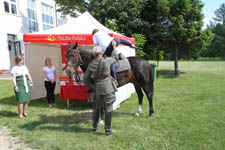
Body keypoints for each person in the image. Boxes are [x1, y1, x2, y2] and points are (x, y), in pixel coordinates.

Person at [83, 46, 119, 135]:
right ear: (100, 53)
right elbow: (116, 57)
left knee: (97, 107)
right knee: (109, 107)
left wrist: (90, 87)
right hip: (108, 87)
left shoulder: (91, 64)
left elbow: (85, 79)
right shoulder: (107, 60)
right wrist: (114, 47)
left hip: (97, 88)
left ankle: (95, 126)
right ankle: (107, 130)